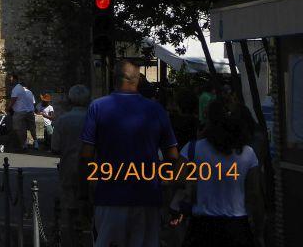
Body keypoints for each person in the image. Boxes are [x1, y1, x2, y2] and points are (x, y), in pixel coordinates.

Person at [80, 60, 180, 247]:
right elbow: (172, 156)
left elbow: (86, 155)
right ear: (138, 80)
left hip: (109, 196)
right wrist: (166, 186)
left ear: (115, 78)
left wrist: (86, 193)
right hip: (147, 197)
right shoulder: (156, 110)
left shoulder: (98, 107)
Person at [169, 98, 263, 247]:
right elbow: (254, 194)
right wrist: (258, 226)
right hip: (237, 225)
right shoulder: (248, 153)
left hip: (202, 226)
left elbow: (176, 179)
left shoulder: (193, 148)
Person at [50, 85, 91, 244]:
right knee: (89, 204)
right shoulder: (93, 118)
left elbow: (55, 148)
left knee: (70, 206)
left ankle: (73, 238)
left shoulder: (62, 121)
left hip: (68, 167)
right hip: (91, 169)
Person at [6, 73, 35, 150]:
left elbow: (13, 101)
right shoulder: (20, 88)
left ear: (15, 79)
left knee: (17, 128)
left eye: (11, 78)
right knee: (24, 128)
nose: (9, 80)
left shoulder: (16, 89)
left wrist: (8, 108)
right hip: (26, 111)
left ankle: (23, 144)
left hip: (19, 112)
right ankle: (32, 143)